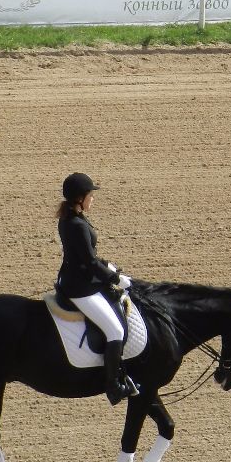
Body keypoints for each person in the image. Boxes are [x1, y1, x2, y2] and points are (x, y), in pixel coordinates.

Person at [55, 172, 138, 405]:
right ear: (80, 198)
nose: (93, 199)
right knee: (116, 332)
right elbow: (89, 263)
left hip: (76, 278)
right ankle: (113, 386)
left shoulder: (73, 217)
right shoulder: (76, 224)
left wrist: (107, 266)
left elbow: (88, 256)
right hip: (80, 288)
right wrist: (114, 278)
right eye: (90, 195)